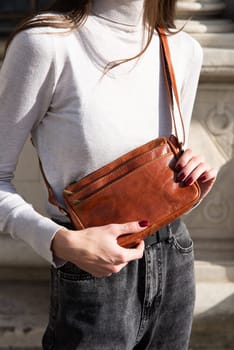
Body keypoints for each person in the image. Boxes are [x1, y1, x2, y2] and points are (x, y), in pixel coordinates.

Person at [0, 0, 217, 349]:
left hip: (175, 258)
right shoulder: (46, 43)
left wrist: (189, 183)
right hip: (91, 271)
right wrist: (59, 241)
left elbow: (150, 180)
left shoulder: (183, 50)